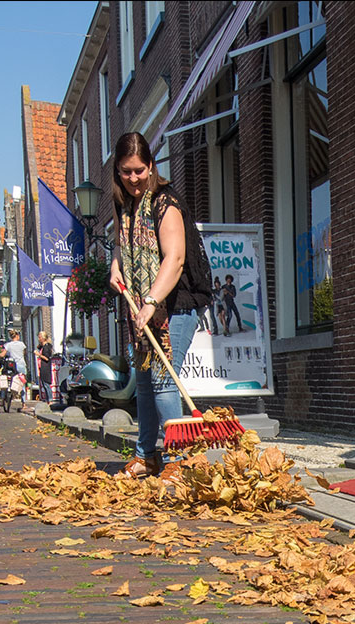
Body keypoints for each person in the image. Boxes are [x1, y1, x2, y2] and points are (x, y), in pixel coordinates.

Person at [108, 131, 210, 481]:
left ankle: (177, 460)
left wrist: (151, 301)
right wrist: (116, 265)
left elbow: (176, 258)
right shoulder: (127, 207)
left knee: (164, 380)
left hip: (175, 305)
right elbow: (125, 245)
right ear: (118, 172)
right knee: (146, 380)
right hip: (142, 308)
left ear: (151, 166)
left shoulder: (165, 202)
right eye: (126, 171)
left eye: (139, 170)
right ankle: (146, 455)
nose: (134, 178)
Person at [35, 331, 53, 402]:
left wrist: (38, 354)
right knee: (44, 384)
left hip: (45, 368)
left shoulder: (46, 347)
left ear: (43, 338)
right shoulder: (43, 346)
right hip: (42, 367)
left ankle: (50, 400)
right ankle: (47, 399)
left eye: (39, 337)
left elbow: (46, 358)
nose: (38, 339)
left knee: (46, 384)